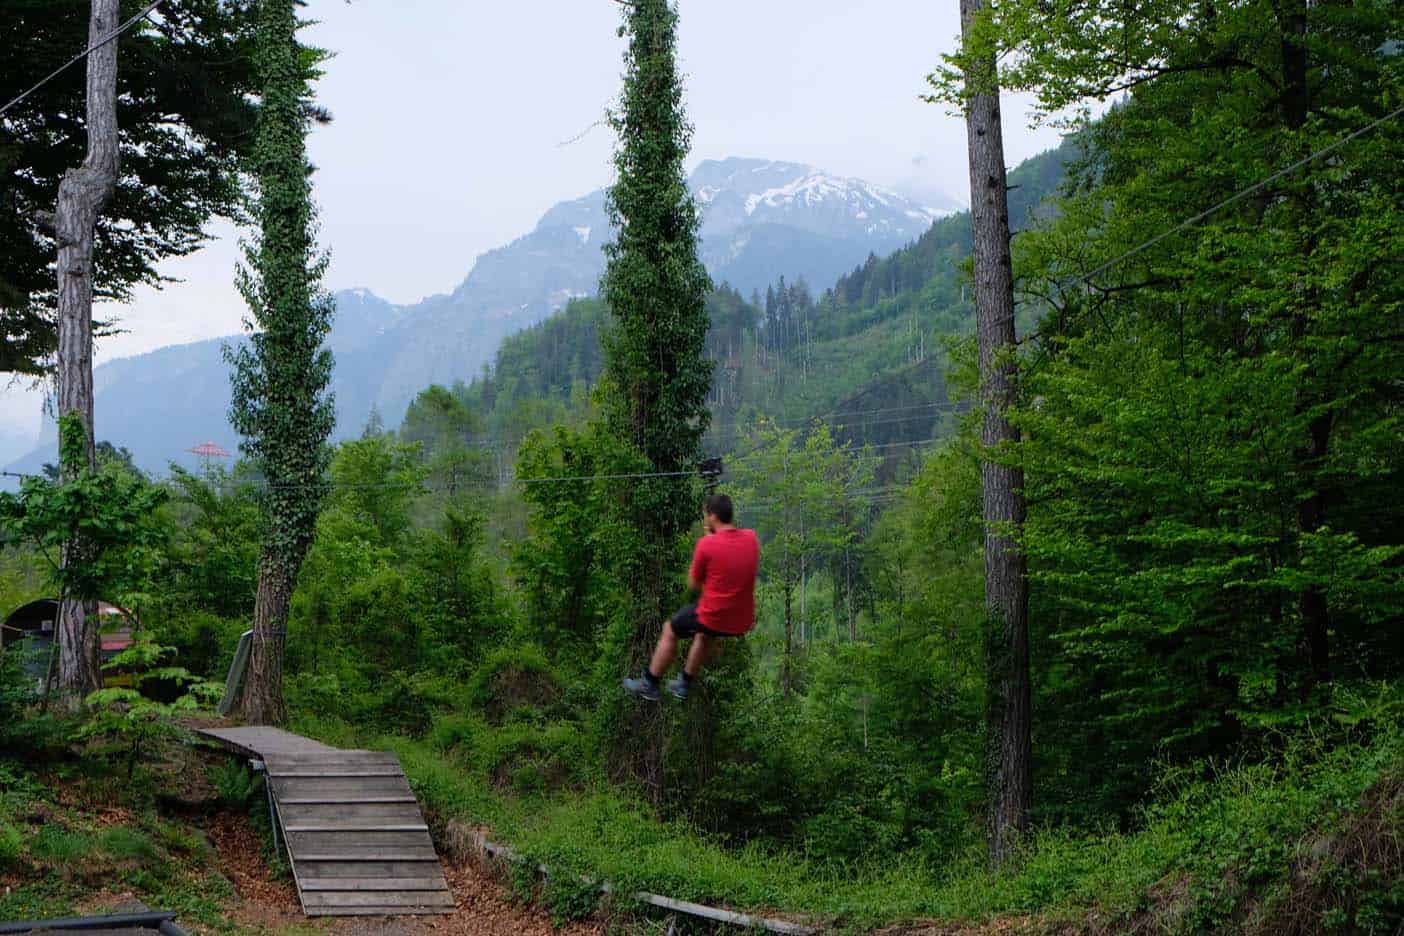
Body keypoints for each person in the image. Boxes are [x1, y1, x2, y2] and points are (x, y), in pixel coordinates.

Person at [623, 493, 759, 701]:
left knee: (671, 628)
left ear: (712, 516)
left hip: (715, 615)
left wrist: (707, 541)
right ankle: (684, 683)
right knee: (704, 634)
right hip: (742, 620)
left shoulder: (707, 545)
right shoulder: (751, 538)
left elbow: (693, 584)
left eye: (705, 515)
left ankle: (650, 682)